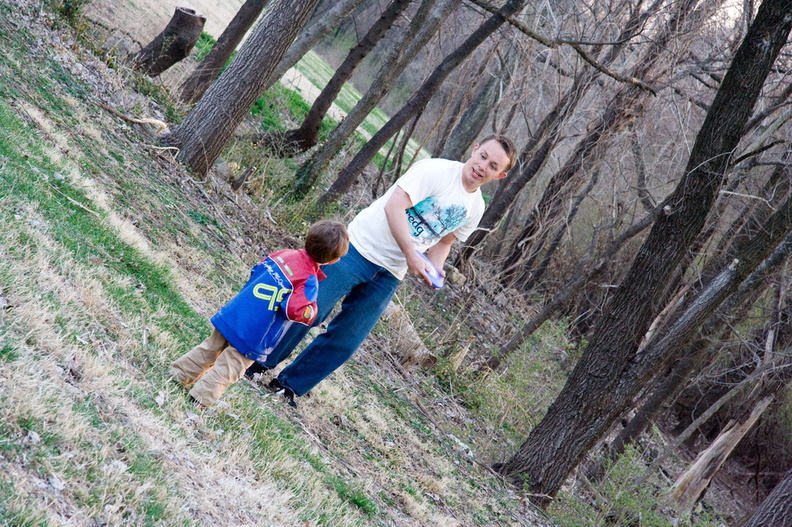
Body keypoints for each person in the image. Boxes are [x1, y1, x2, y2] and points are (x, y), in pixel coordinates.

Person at [247, 134, 517, 405]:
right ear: (475, 148)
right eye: (483, 156)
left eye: (494, 166)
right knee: (309, 309)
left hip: (391, 272)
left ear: (499, 177)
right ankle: (258, 362)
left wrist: (434, 268)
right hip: (358, 248)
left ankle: (289, 386)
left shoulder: (475, 207)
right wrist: (412, 253)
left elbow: (445, 240)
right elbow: (394, 205)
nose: (483, 166)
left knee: (348, 338)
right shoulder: (436, 171)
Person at [170, 220, 349, 407]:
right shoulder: (308, 280)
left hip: (236, 312)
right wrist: (312, 311)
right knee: (232, 365)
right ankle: (199, 399)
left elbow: (256, 269)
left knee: (210, 348)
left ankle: (178, 375)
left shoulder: (284, 254)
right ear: (333, 260)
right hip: (257, 331)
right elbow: (295, 310)